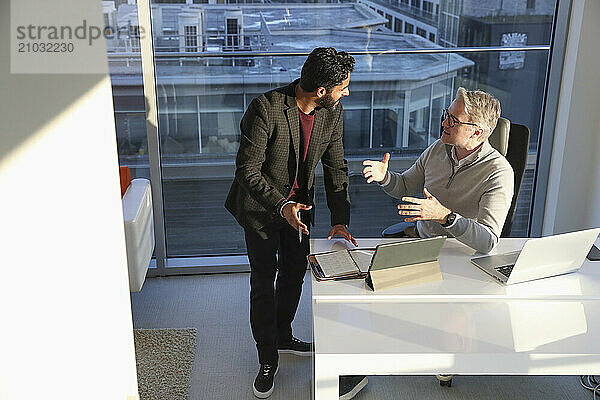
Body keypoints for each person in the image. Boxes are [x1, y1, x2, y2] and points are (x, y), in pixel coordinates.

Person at [225, 47, 359, 399]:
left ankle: (283, 334)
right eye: (342, 87)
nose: (346, 92)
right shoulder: (266, 108)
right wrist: (281, 204)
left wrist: (340, 219)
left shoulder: (333, 113)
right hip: (261, 209)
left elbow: (335, 167)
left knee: (295, 273)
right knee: (263, 281)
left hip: (302, 209)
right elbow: (247, 170)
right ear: (320, 90)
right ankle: (267, 356)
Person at [362, 87, 513, 254]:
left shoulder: (498, 173)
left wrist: (444, 217)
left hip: (459, 252)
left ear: (476, 132)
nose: (444, 123)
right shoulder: (440, 148)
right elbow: (405, 186)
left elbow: (488, 241)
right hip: (422, 241)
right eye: (446, 115)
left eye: (453, 121)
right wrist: (385, 177)